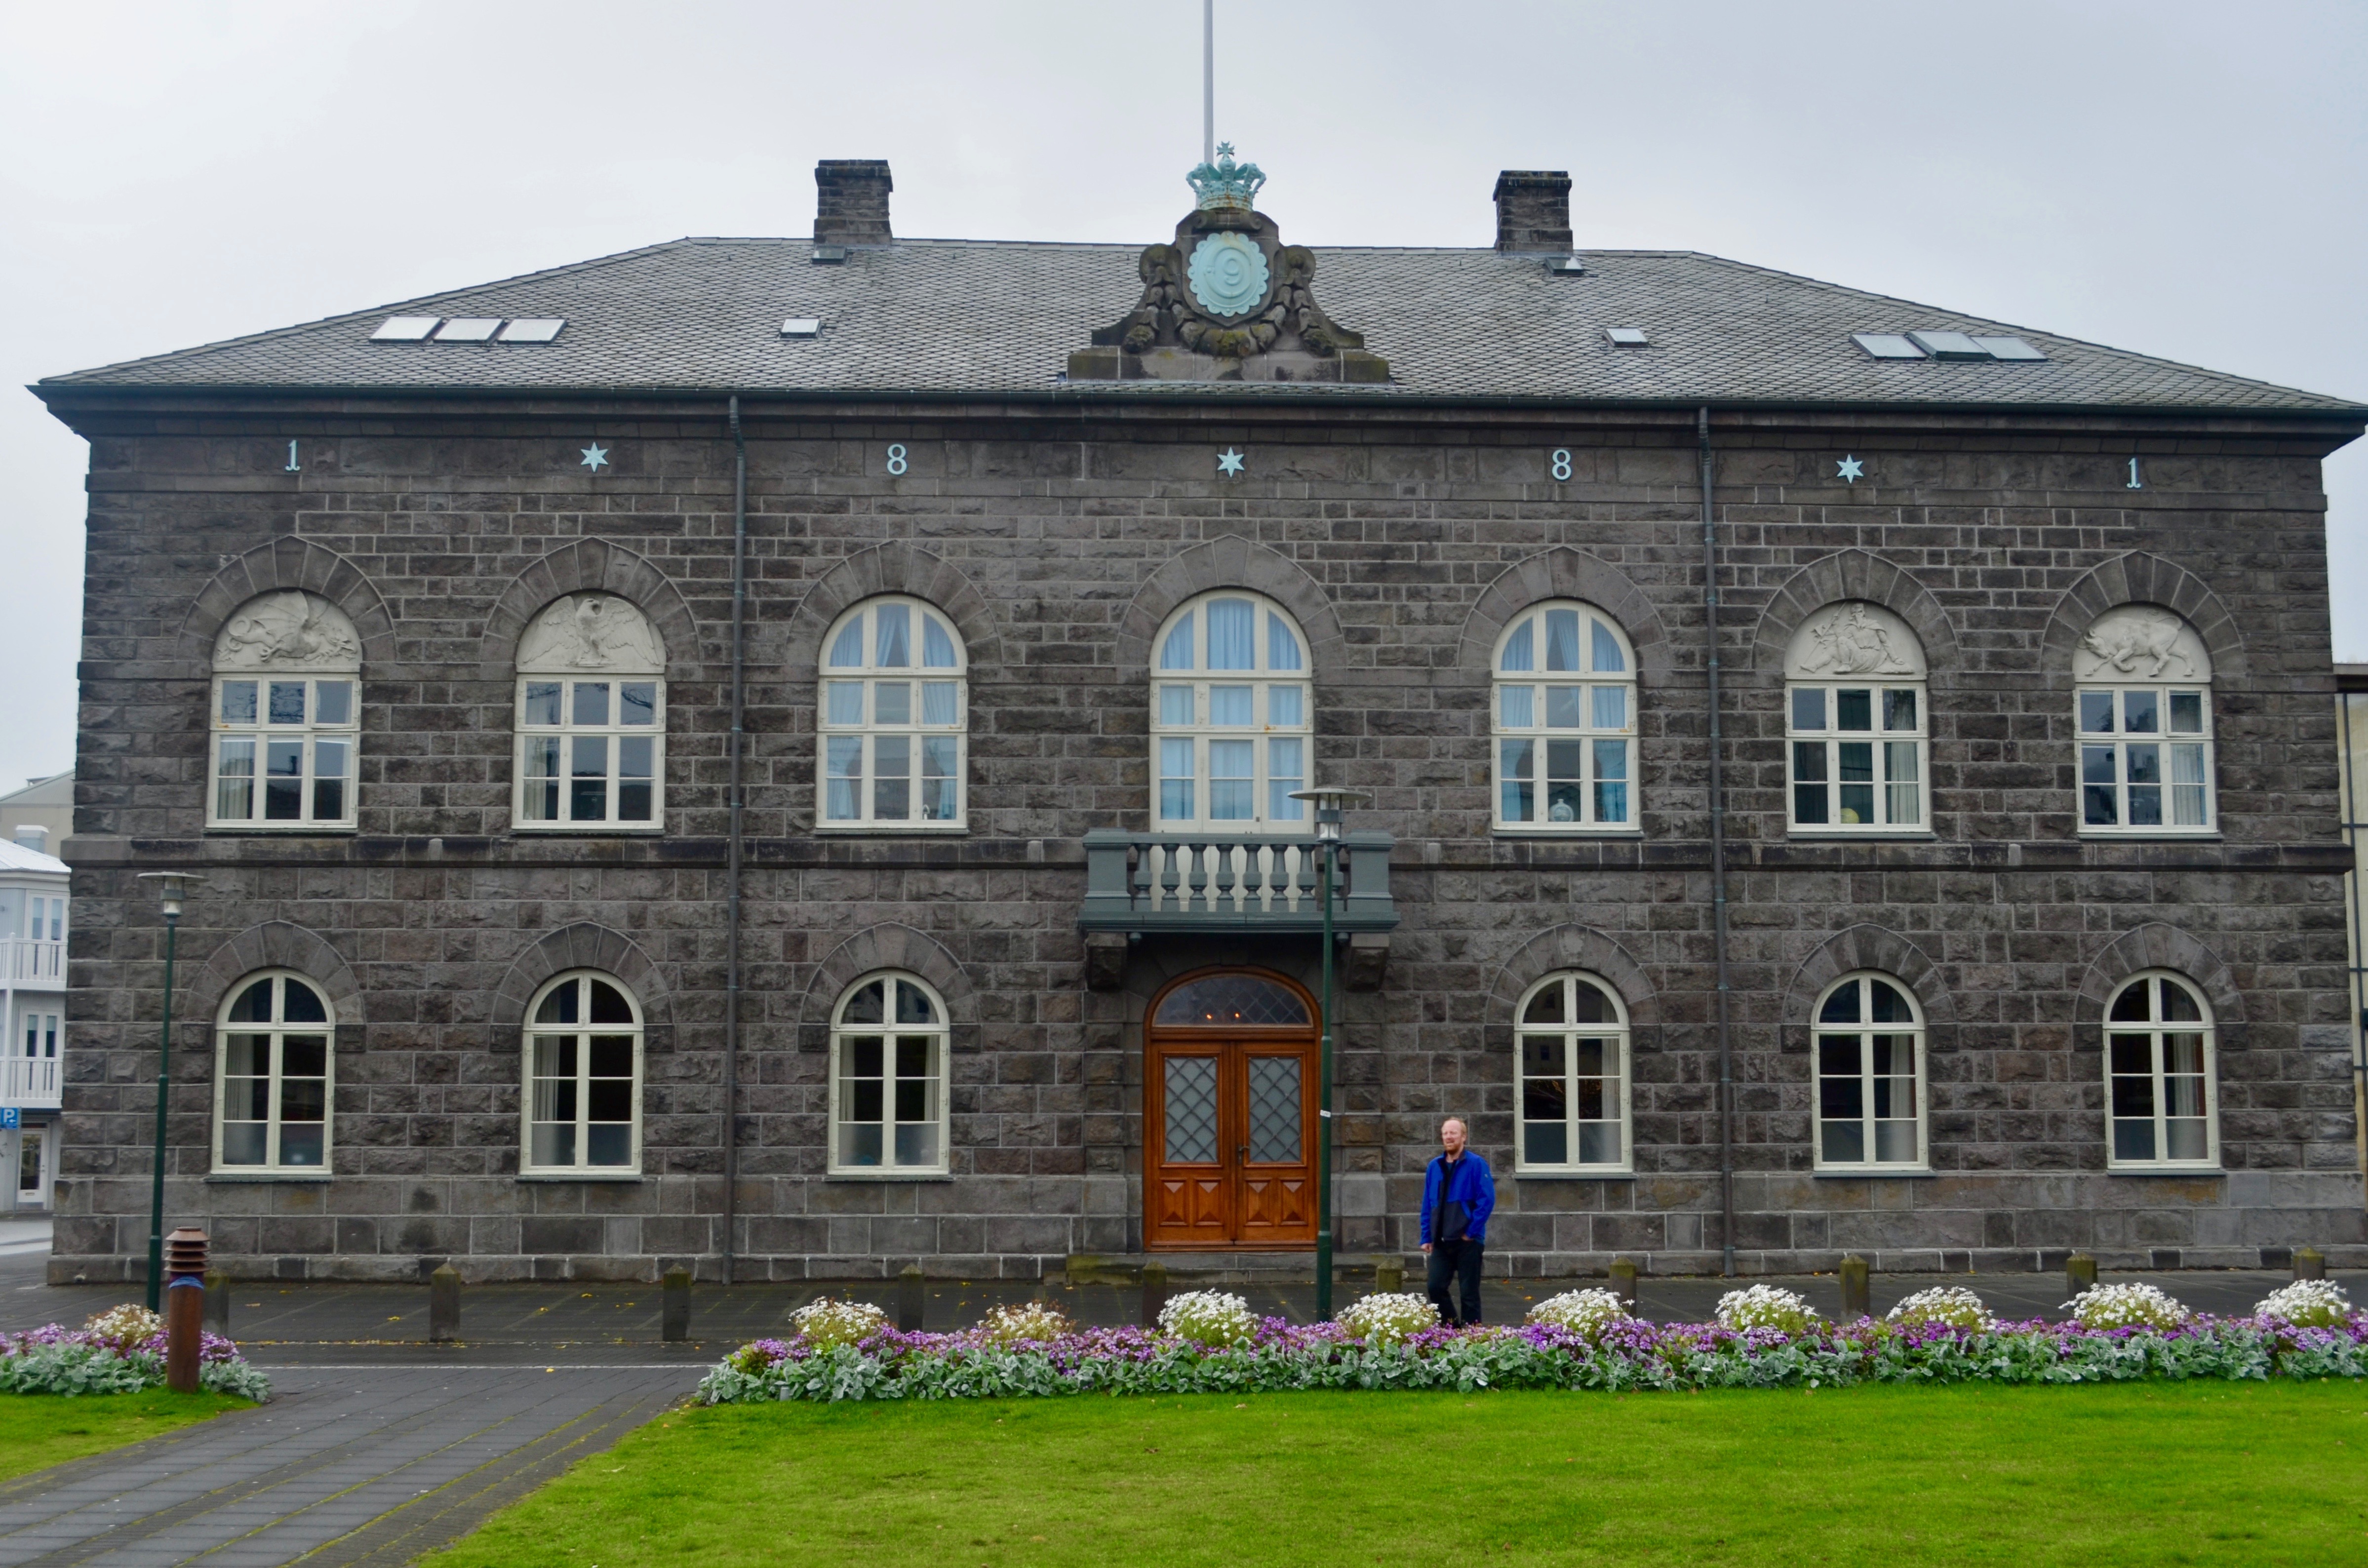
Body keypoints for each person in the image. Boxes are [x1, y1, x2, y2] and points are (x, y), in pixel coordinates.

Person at [1419, 1116, 1495, 1326]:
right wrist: (1427, 1236)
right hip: (1441, 1242)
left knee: (1469, 1294)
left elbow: (1487, 1200)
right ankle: (1452, 1329)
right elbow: (1428, 1204)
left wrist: (1471, 1232)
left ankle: (1473, 1337)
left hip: (1468, 1241)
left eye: (1453, 1133)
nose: (1449, 1137)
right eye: (1445, 1133)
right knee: (1435, 1287)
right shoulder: (1434, 1167)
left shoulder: (1476, 1164)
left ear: (1464, 1137)